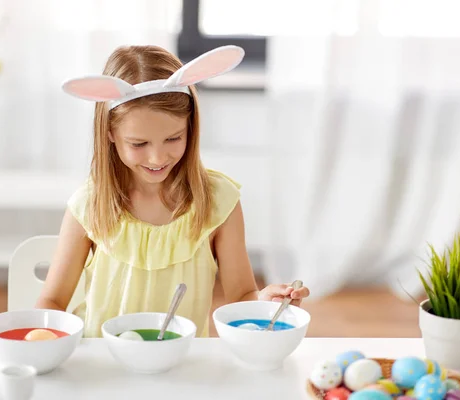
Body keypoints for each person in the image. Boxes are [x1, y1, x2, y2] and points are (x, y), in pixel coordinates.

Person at [35, 44, 310, 337]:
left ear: (190, 128)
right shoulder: (90, 204)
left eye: (173, 138)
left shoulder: (219, 201)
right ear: (110, 133)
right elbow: (53, 300)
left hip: (185, 366)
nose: (157, 158)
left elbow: (241, 297)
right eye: (139, 144)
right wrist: (40, 337)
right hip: (103, 365)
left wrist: (264, 304)